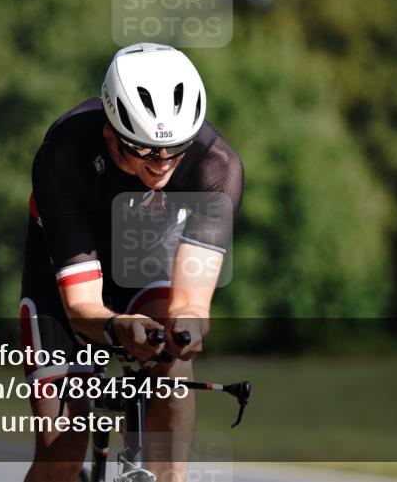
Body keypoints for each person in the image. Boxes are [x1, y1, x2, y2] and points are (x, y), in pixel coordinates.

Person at [20, 43, 243, 481]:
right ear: (110, 134)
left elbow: (193, 304)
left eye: (175, 150)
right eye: (143, 151)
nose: (161, 163)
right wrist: (113, 326)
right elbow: (82, 306)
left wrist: (187, 329)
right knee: (61, 455)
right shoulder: (64, 154)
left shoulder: (216, 168)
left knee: (173, 360)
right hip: (65, 277)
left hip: (146, 261)